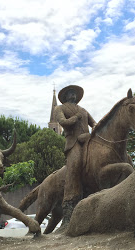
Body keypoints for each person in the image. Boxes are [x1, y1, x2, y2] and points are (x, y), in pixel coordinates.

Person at [54, 85, 97, 226]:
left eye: (74, 93)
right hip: (74, 142)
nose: (73, 95)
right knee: (75, 164)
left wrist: (95, 129)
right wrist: (76, 117)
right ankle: (69, 201)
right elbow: (63, 123)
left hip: (88, 140)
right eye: (70, 93)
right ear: (65, 96)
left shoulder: (83, 110)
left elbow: (93, 123)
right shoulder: (59, 109)